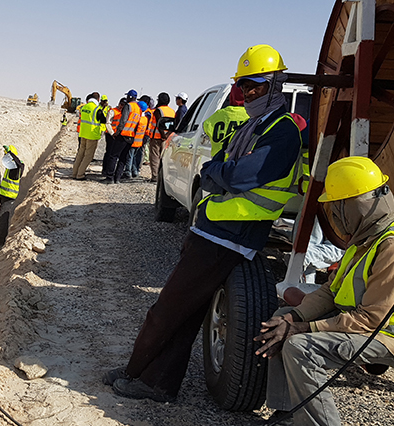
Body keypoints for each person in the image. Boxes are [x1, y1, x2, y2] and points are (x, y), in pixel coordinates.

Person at [103, 44, 302, 402]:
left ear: (275, 85)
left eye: (256, 85)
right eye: (244, 86)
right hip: (213, 230)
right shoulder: (254, 125)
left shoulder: (282, 131)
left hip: (231, 236)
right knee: (185, 312)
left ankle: (145, 377)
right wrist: (219, 172)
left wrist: (218, 173)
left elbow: (241, 175)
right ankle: (149, 377)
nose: (249, 93)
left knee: (167, 311)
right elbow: (218, 166)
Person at [245, 156, 394, 426]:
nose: (332, 213)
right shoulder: (366, 239)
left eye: (335, 205)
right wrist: (293, 318)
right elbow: (331, 291)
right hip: (379, 327)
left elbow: (371, 319)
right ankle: (288, 418)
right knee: (282, 319)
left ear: (351, 206)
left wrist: (302, 329)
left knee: (300, 347)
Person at [0, 145, 25, 248]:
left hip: (9, 198)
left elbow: (18, 163)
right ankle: (1, 240)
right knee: (3, 219)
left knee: (1, 220)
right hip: (4, 197)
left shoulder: (17, 168)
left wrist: (10, 153)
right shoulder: (11, 168)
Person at [201, 83, 249, 156]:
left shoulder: (215, 117)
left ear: (232, 95)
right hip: (243, 162)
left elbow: (205, 127)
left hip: (217, 161)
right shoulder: (254, 116)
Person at [107, 90, 141, 184]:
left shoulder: (128, 106)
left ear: (129, 97)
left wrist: (117, 133)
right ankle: (117, 178)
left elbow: (123, 121)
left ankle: (109, 177)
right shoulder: (138, 108)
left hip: (123, 135)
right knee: (123, 158)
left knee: (113, 156)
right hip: (131, 136)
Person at [72, 92, 102, 180]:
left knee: (80, 154)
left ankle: (74, 173)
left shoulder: (84, 107)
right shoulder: (97, 109)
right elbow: (103, 121)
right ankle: (80, 174)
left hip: (83, 133)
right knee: (88, 156)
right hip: (92, 135)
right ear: (98, 99)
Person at [147, 92, 175, 182]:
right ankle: (163, 176)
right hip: (167, 138)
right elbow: (173, 125)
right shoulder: (172, 111)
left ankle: (155, 177)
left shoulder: (158, 110)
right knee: (164, 158)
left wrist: (163, 135)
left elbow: (160, 124)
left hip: (157, 137)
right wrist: (167, 135)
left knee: (155, 157)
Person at [123, 99, 150, 179]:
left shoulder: (138, 118)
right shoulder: (145, 119)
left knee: (130, 157)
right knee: (134, 157)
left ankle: (128, 172)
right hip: (139, 141)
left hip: (133, 140)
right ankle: (135, 171)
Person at [102, 98, 126, 178]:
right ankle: (105, 170)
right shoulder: (113, 111)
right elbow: (108, 123)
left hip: (119, 135)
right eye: (121, 104)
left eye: (123, 105)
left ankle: (111, 170)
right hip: (110, 134)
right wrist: (112, 133)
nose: (121, 106)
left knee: (115, 154)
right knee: (109, 152)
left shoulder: (125, 113)